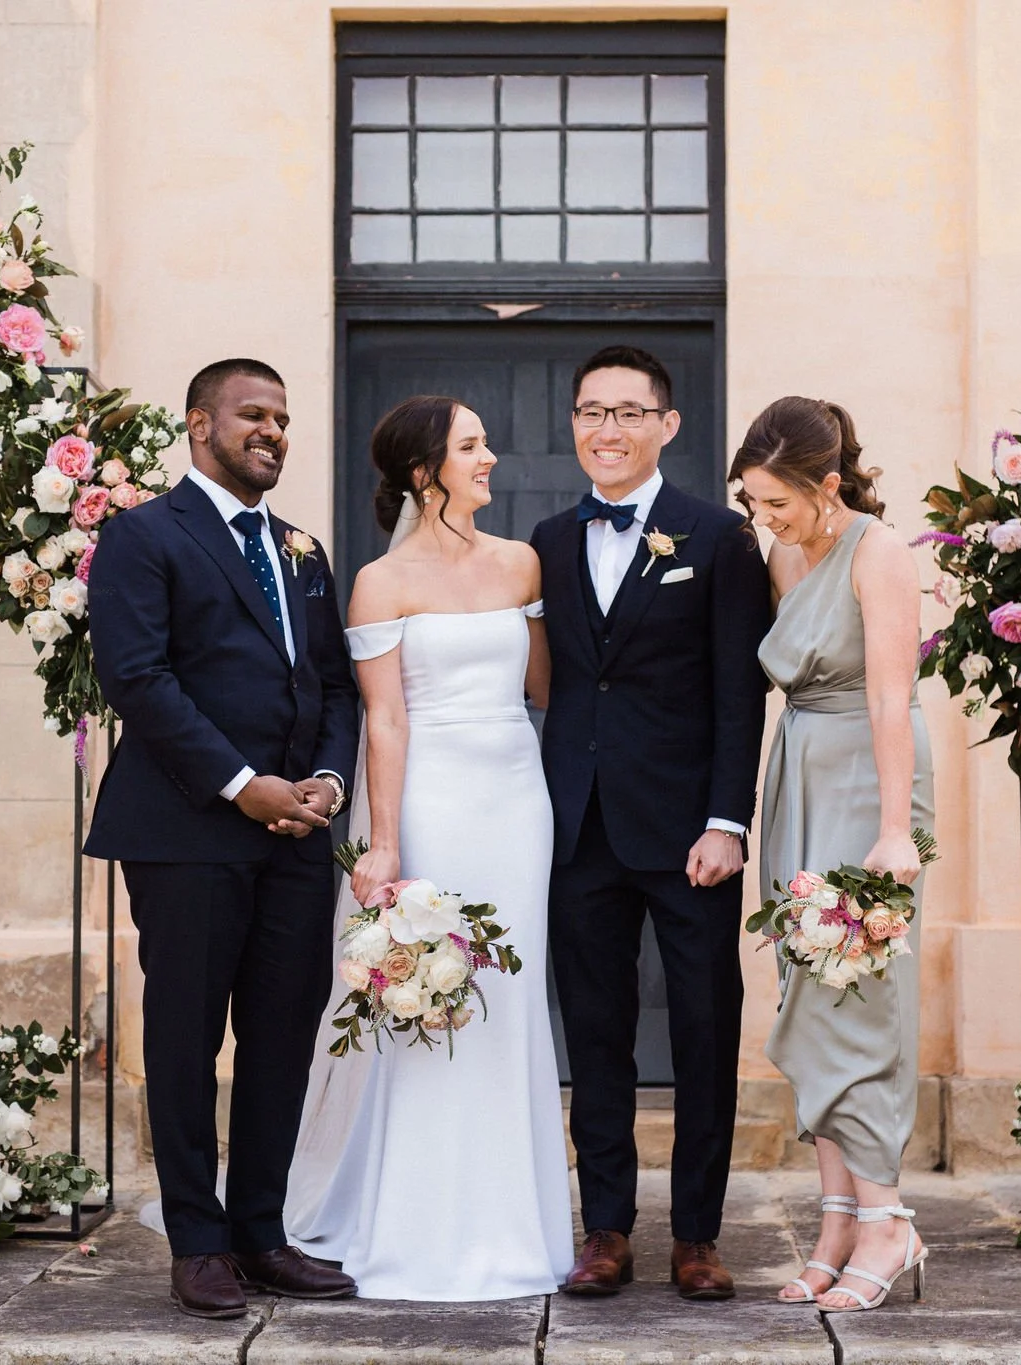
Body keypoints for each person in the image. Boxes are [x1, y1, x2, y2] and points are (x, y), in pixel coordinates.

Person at [84, 358, 360, 1320]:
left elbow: (331, 683)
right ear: (199, 422)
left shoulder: (301, 549)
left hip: (296, 835)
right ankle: (196, 1241)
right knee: (187, 1036)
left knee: (284, 1035)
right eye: (254, 414)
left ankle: (260, 1232)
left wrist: (326, 779)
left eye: (283, 418)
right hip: (187, 830)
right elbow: (139, 679)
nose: (273, 431)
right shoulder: (141, 536)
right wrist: (244, 787)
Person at [285, 395, 573, 1300]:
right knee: (435, 989)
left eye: (487, 441)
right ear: (426, 471)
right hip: (433, 802)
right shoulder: (380, 581)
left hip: (518, 801)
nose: (490, 458)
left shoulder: (522, 561)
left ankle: (513, 1217)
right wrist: (382, 842)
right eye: (472, 445)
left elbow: (541, 687)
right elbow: (386, 716)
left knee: (512, 996)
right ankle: (418, 1217)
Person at [529, 346, 773, 1301]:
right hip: (578, 829)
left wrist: (727, 820)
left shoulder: (717, 538)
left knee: (708, 1030)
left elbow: (736, 695)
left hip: (688, 834)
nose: (608, 430)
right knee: (595, 1034)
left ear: (668, 426)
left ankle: (700, 1236)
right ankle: (608, 1230)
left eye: (629, 412)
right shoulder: (545, 538)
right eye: (592, 411)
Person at [730, 396, 932, 1314]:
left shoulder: (880, 553)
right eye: (753, 503)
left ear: (829, 486)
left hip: (868, 780)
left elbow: (894, 700)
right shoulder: (782, 553)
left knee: (862, 996)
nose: (764, 520)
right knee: (812, 994)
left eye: (777, 502)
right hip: (800, 777)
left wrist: (896, 830)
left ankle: (891, 1219)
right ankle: (839, 1217)